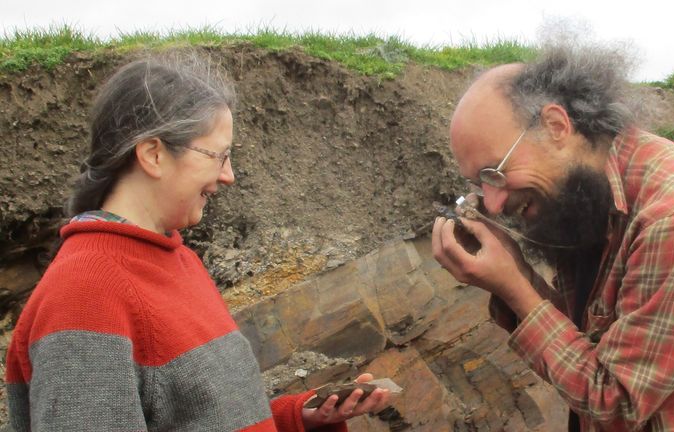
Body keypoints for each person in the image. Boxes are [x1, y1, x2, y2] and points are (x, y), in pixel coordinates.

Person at [4, 54, 389, 431]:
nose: (229, 176)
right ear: (154, 154)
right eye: (218, 156)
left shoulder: (179, 260)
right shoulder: (83, 296)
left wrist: (296, 418)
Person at [432, 44, 674, 431]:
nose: (491, 203)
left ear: (556, 126)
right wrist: (518, 274)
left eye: (494, 173)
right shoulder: (589, 194)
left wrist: (515, 289)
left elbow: (617, 402)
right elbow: (589, 347)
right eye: (478, 183)